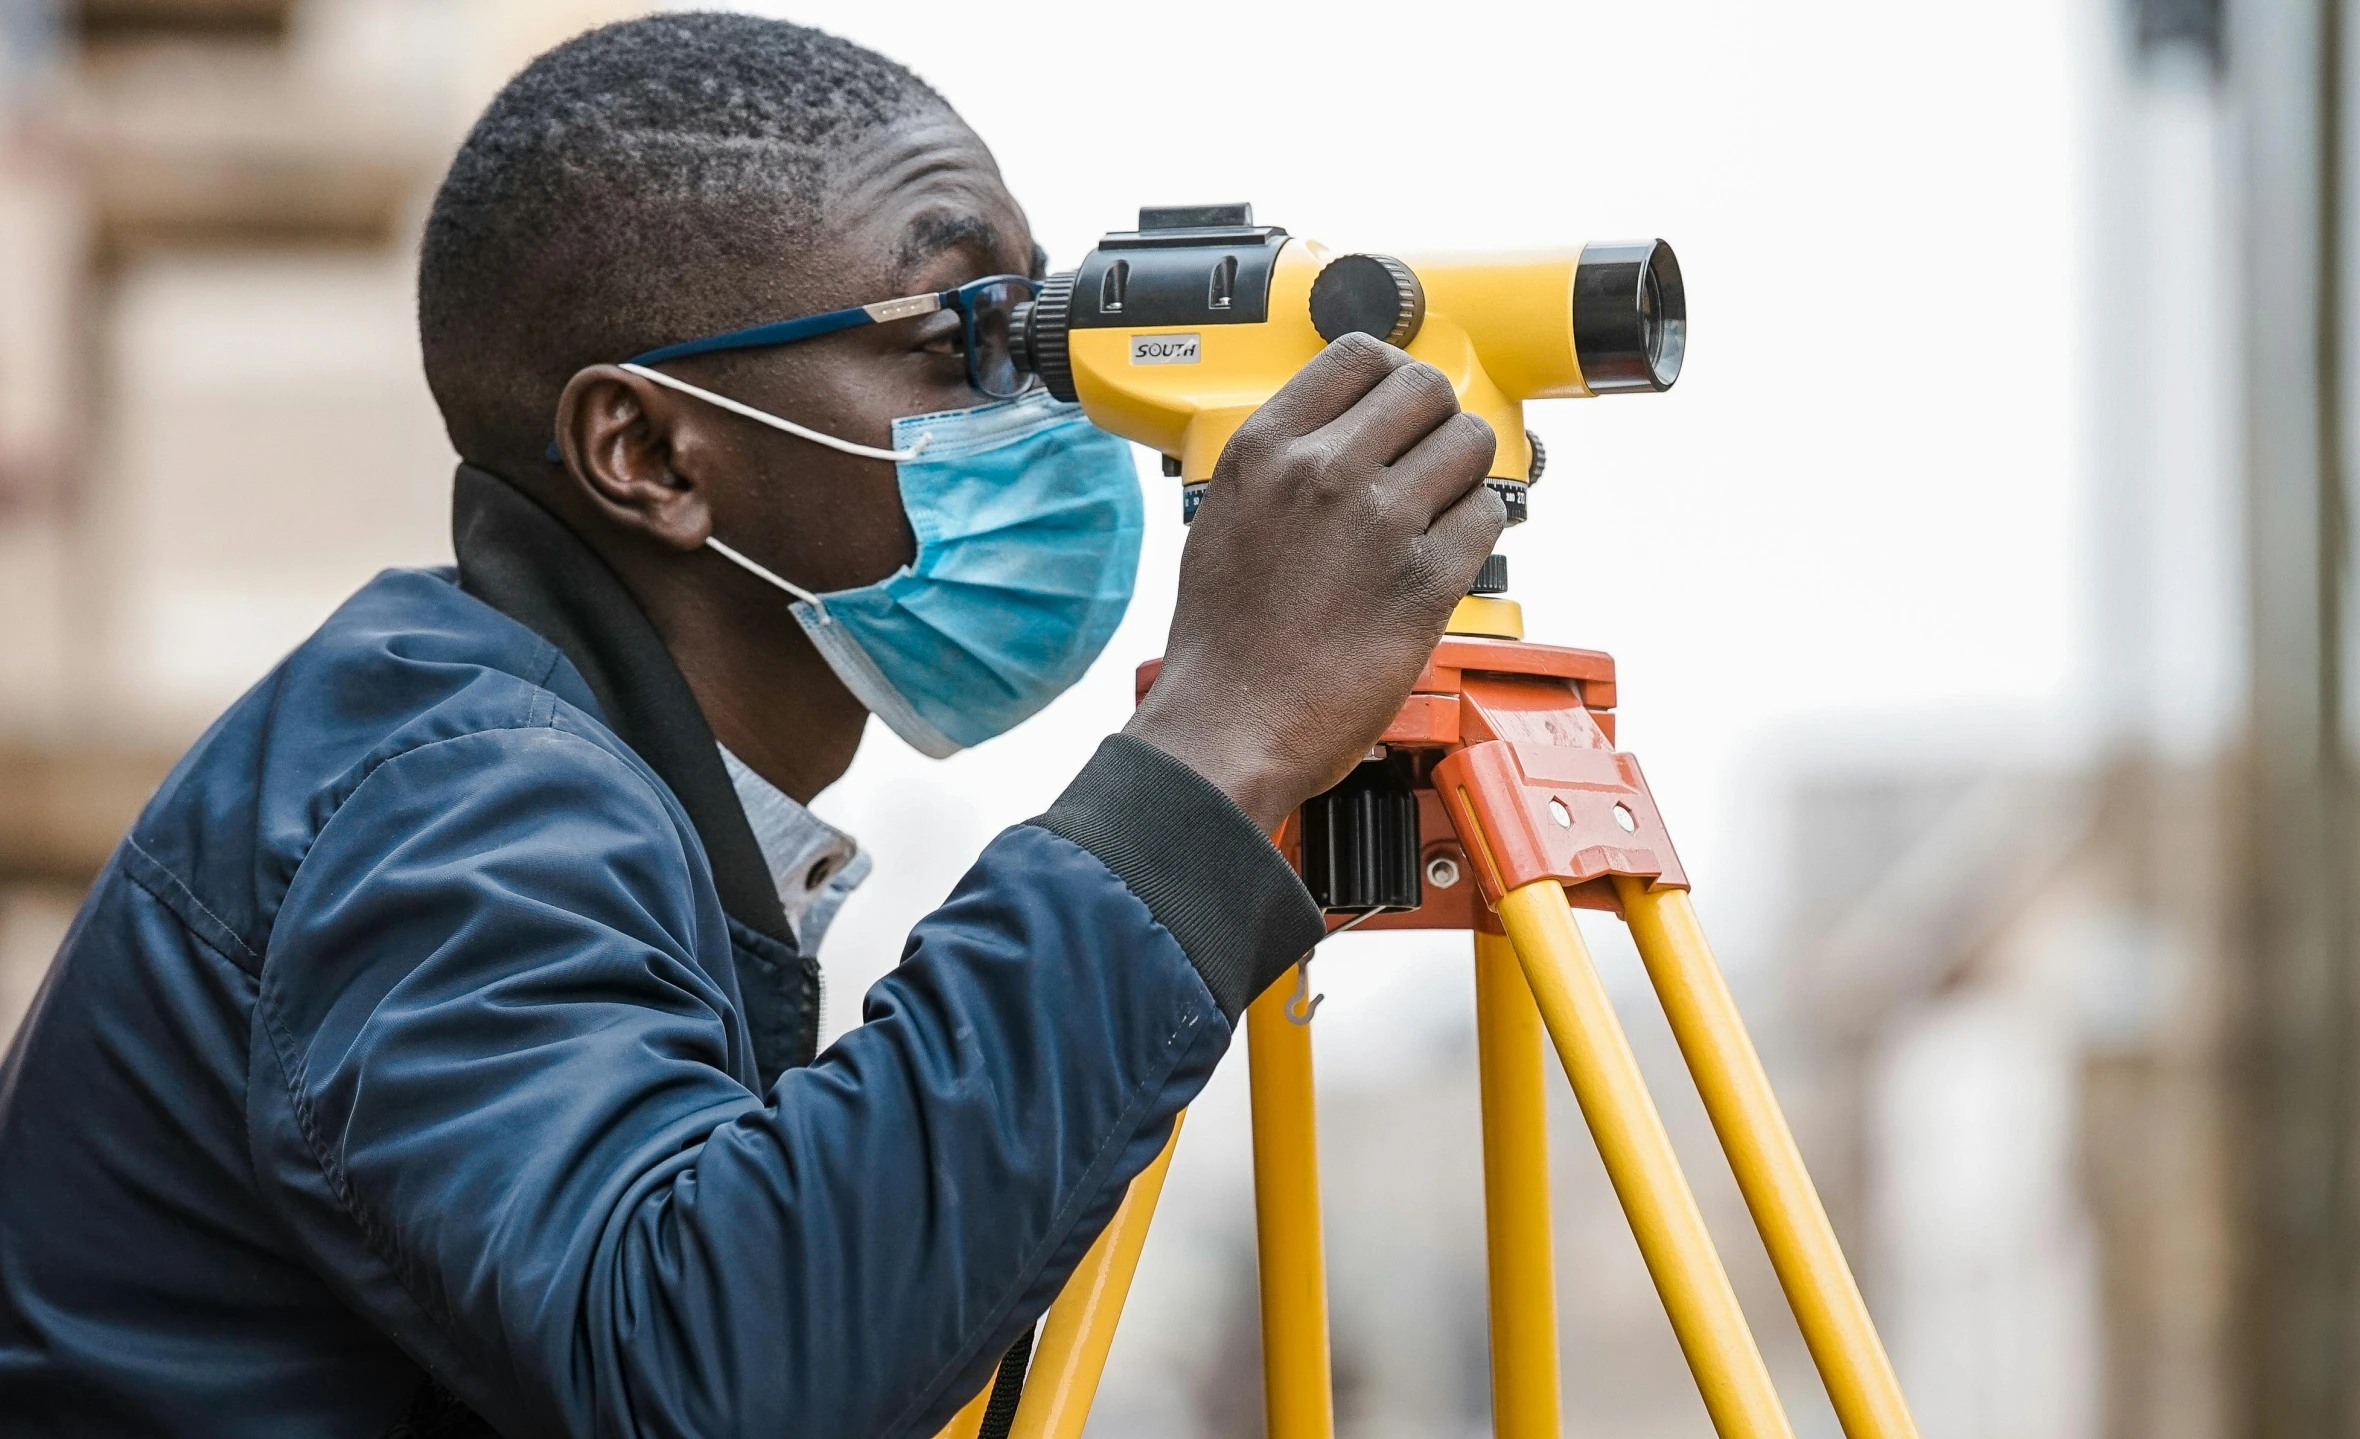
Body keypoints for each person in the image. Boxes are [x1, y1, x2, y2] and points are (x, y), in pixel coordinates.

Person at [0, 14, 1501, 1439]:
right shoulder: (448, 802)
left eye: (1043, 333)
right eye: (967, 334)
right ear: (649, 450)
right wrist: (1223, 740)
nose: (1050, 407)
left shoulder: (554, 776)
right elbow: (717, 1370)